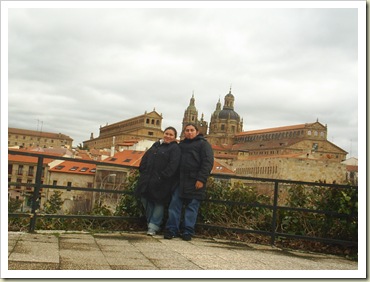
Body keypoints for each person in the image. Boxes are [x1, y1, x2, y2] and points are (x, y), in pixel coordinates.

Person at [164, 123, 214, 241]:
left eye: (192, 130)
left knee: (192, 207)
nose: (189, 132)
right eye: (187, 130)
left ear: (197, 132)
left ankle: (187, 231)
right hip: (180, 181)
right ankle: (172, 230)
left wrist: (201, 179)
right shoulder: (181, 145)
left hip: (195, 181)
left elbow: (207, 163)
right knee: (174, 205)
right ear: (184, 132)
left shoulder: (204, 144)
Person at [134, 127, 181, 236]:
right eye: (166, 133)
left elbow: (173, 165)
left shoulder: (175, 148)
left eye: (171, 135)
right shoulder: (156, 145)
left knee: (158, 203)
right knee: (145, 199)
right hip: (148, 179)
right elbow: (145, 158)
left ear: (174, 137)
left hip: (163, 181)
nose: (168, 136)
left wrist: (163, 176)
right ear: (163, 134)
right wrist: (143, 170)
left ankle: (153, 226)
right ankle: (151, 223)